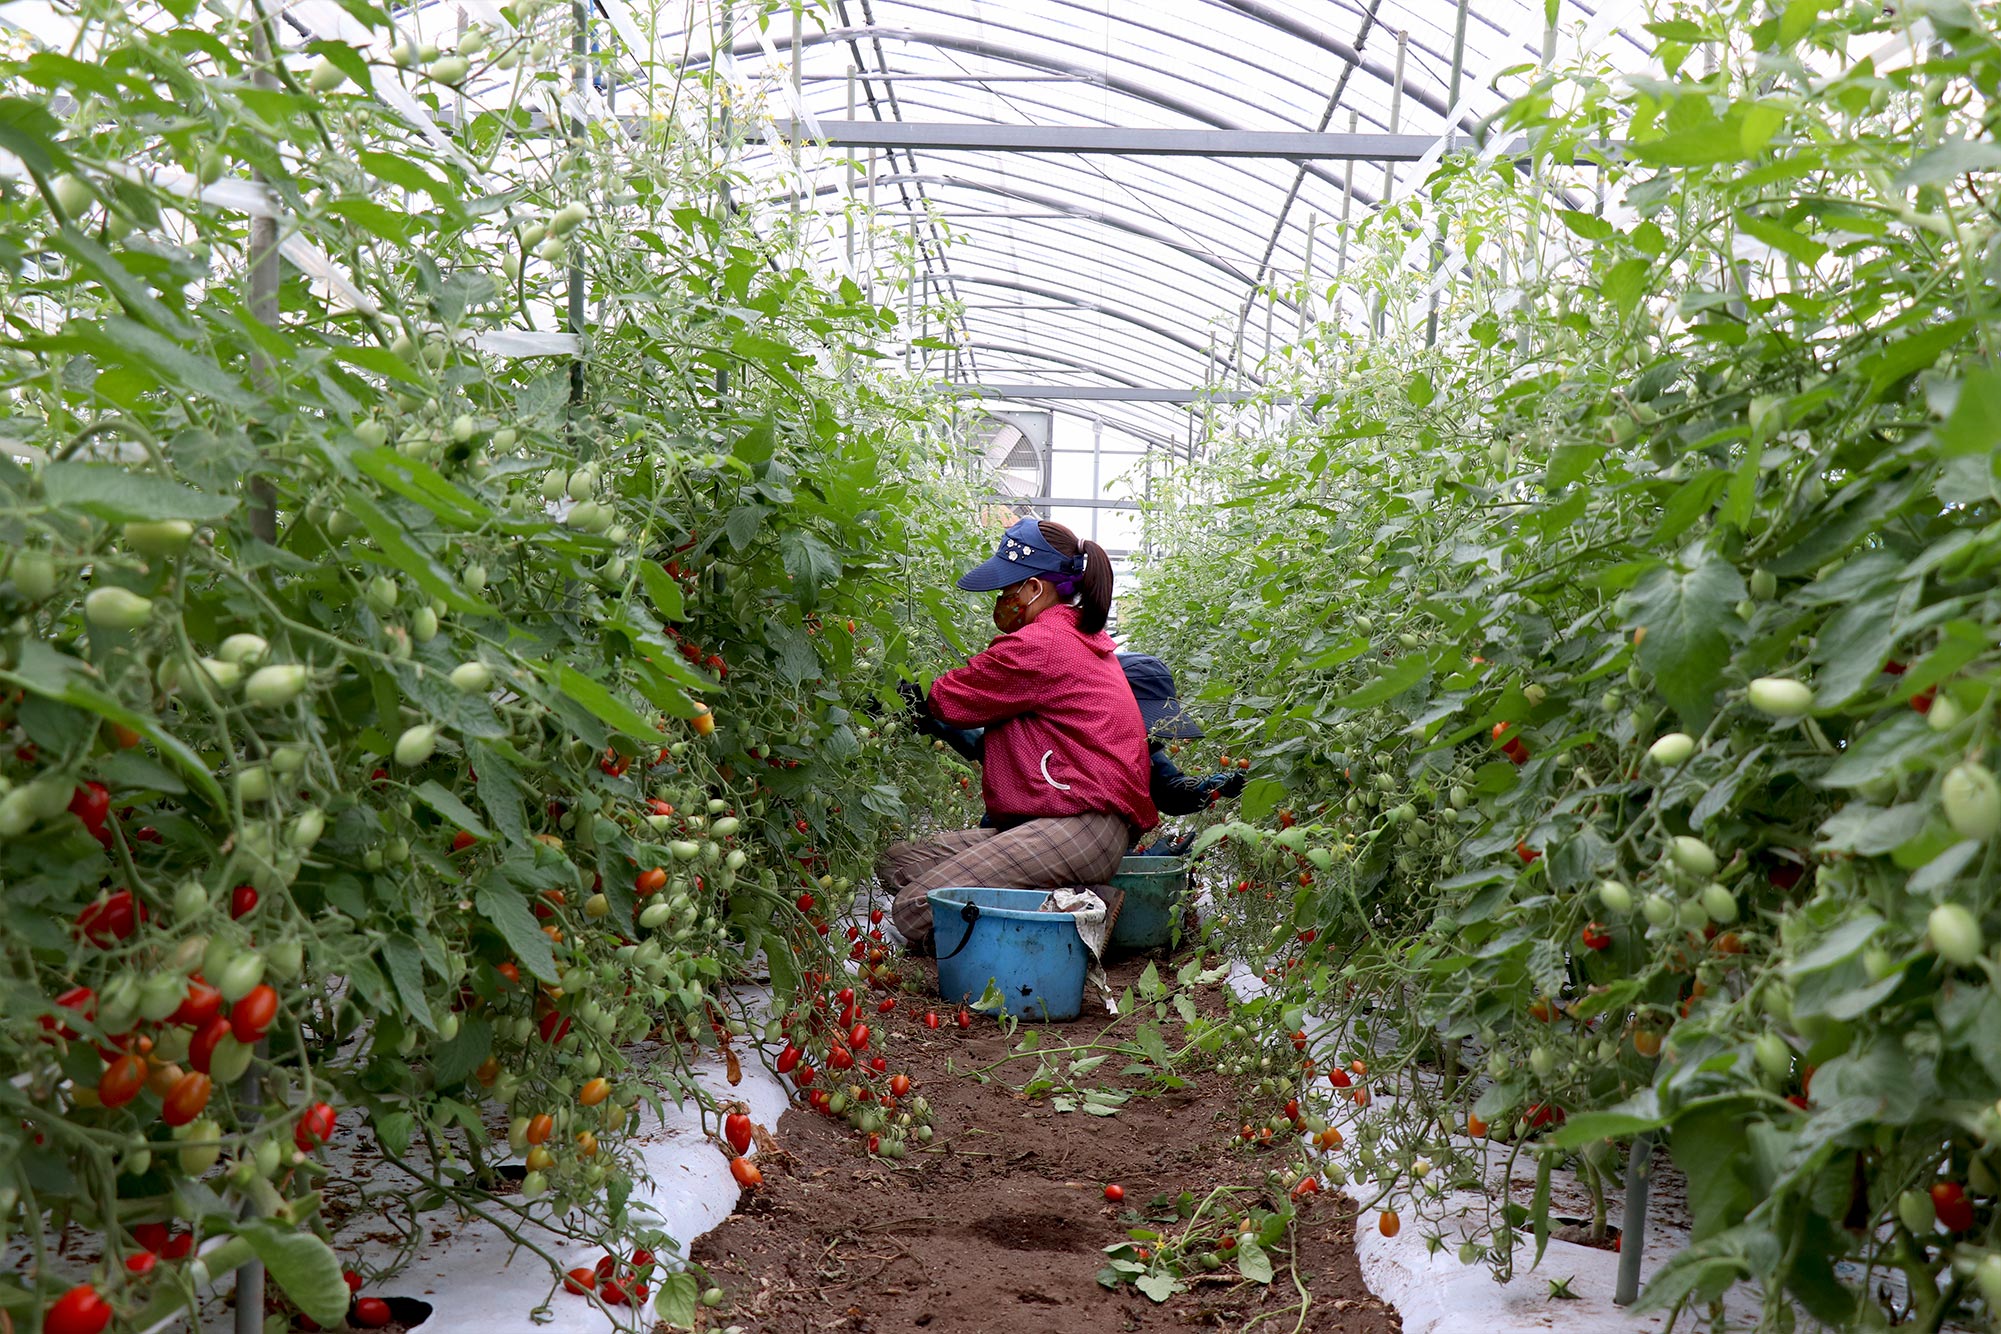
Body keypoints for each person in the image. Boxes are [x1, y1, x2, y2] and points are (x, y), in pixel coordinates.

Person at [879, 517, 1157, 951]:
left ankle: (1079, 909)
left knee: (915, 907)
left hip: (1079, 827)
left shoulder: (1042, 644)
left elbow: (950, 698)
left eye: (1008, 588)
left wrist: (900, 697)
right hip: (1064, 822)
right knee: (900, 863)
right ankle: (1060, 903)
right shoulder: (1074, 635)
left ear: (1033, 589)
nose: (1002, 598)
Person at [915, 652, 1245, 855]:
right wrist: (929, 712)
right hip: (1020, 840)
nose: (1145, 733)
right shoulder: (1057, 730)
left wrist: (1207, 788)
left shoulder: (1136, 745)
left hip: (1074, 853)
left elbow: (1165, 787)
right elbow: (988, 746)